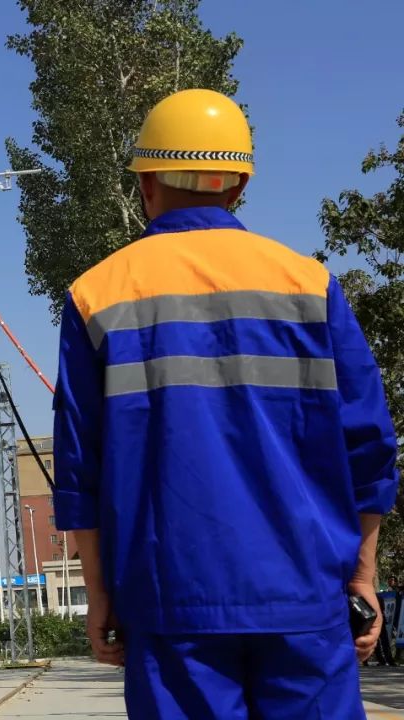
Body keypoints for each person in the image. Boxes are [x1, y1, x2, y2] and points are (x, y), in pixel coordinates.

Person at [52, 88, 399, 718]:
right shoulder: (309, 284)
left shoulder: (96, 296)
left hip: (169, 605)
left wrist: (98, 593)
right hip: (306, 600)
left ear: (146, 184)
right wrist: (363, 580)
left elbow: (81, 470)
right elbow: (370, 448)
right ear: (237, 186)